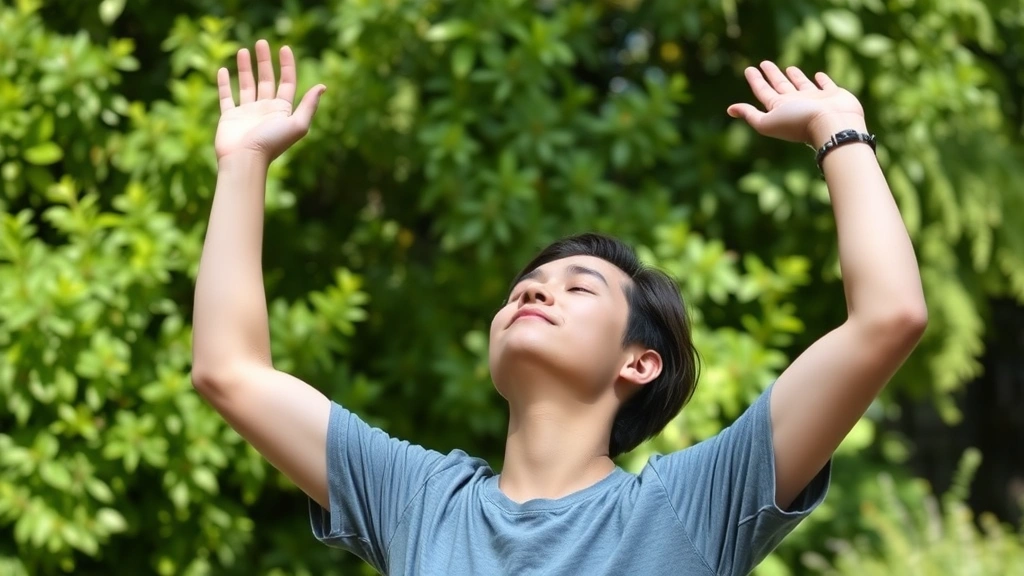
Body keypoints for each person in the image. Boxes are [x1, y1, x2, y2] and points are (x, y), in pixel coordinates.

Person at [191, 39, 928, 575]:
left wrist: (840, 132)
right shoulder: (419, 501)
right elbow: (229, 371)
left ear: (640, 362)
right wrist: (243, 164)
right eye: (525, 287)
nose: (534, 290)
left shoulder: (687, 509)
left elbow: (887, 317)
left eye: (578, 287)